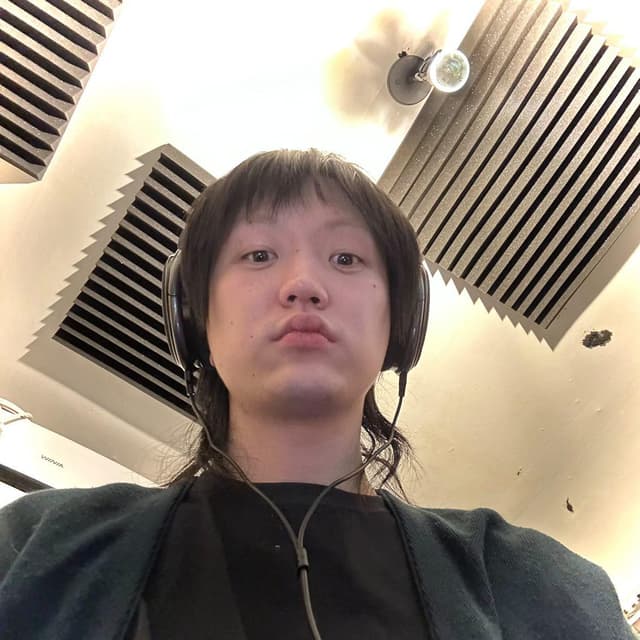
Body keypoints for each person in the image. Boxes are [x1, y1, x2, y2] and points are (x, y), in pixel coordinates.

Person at [0, 149, 634, 640]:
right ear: (192, 318)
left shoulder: (532, 578)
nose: (303, 284)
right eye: (258, 254)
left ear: (401, 325)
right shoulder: (34, 542)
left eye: (346, 259)